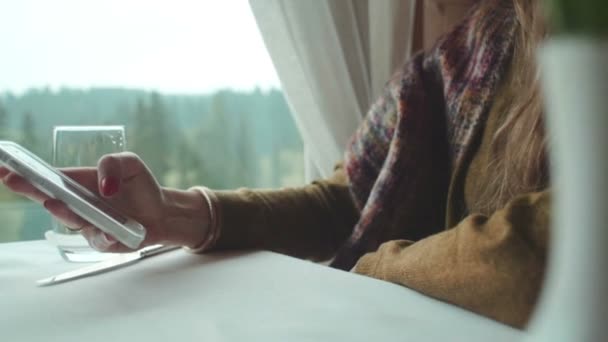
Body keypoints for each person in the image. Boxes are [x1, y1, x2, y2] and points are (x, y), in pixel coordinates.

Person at [0, 0, 549, 329]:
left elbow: (545, 247)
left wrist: (376, 272)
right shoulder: (475, 49)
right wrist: (176, 212)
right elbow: (350, 200)